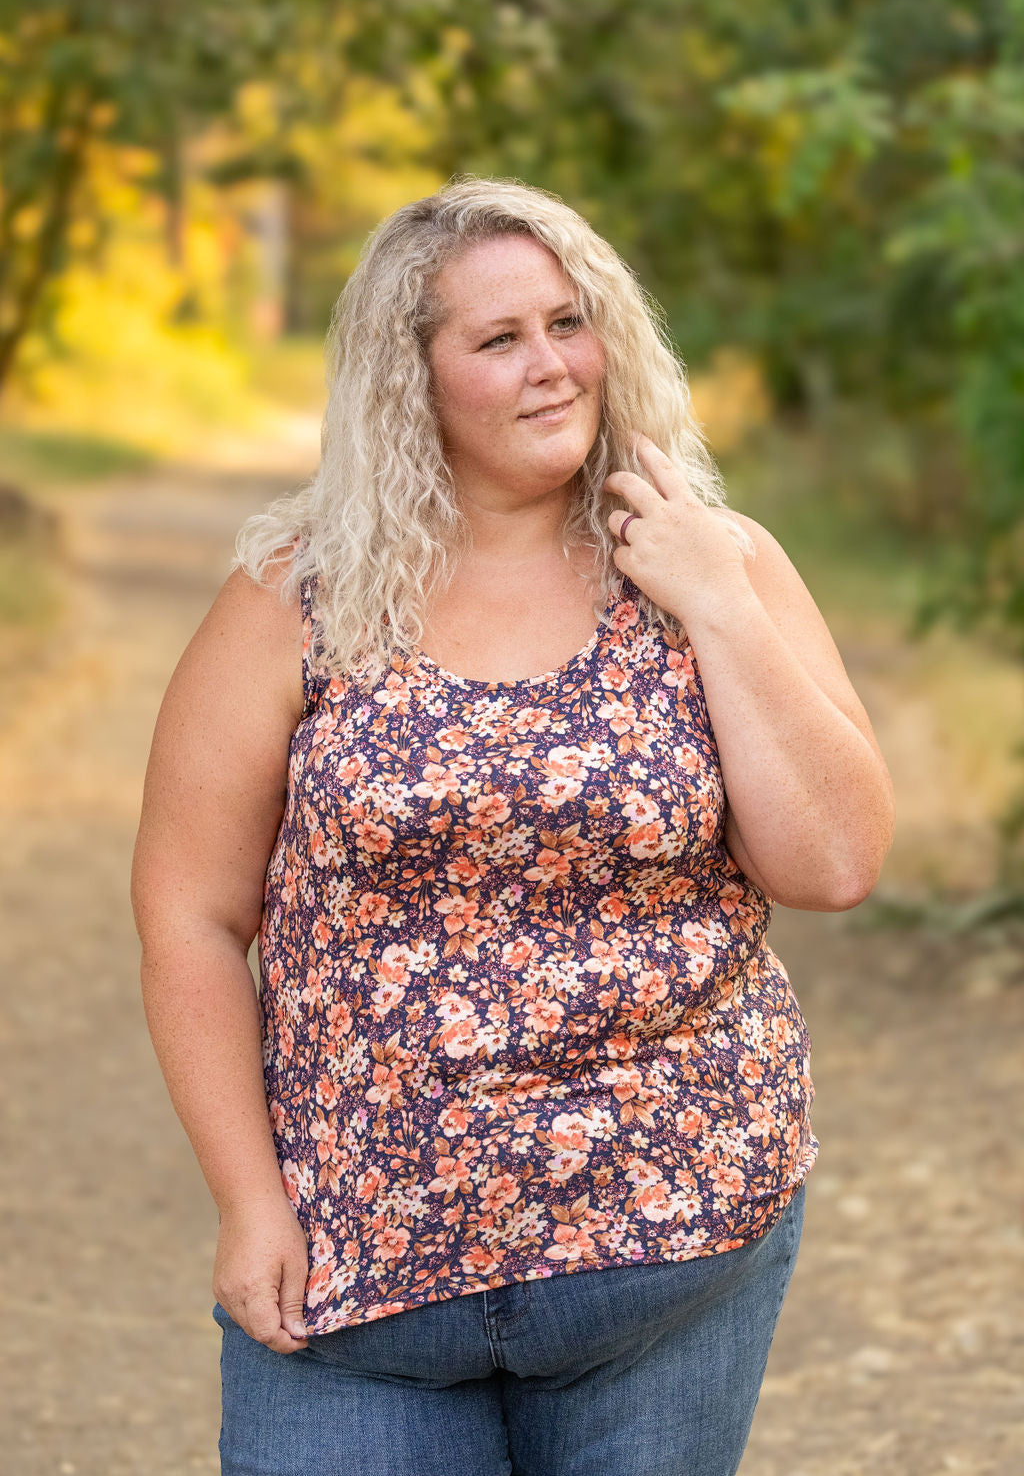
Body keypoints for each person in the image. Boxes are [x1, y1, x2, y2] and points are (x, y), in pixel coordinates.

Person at [131, 174, 895, 1476]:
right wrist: (248, 1202)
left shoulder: (721, 564)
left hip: (670, 1257)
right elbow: (189, 910)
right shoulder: (293, 602)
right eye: (497, 340)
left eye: (568, 322)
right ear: (408, 380)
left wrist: (718, 602)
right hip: (363, 1282)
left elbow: (831, 865)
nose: (551, 366)